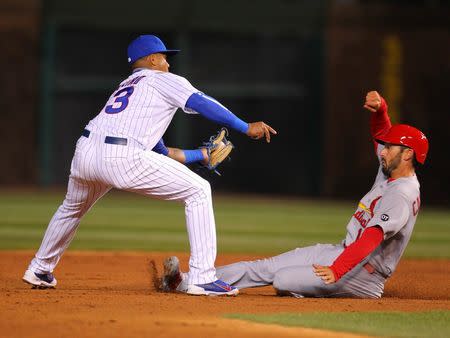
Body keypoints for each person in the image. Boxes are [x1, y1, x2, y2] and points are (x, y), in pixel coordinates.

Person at [22, 34, 277, 296]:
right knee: (199, 191)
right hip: (121, 156)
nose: (168, 63)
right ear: (153, 59)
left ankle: (40, 268)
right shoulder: (162, 79)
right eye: (165, 57)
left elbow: (163, 152)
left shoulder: (128, 87)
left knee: (71, 209)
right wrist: (246, 127)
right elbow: (202, 103)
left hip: (86, 152)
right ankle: (202, 277)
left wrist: (201, 155)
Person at [162, 90, 429, 298]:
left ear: (408, 154)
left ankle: (317, 289)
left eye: (391, 148)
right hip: (343, 252)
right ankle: (188, 281)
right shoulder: (390, 169)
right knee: (265, 267)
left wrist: (337, 270)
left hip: (364, 275)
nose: (382, 151)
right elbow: (381, 134)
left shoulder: (402, 193)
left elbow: (371, 238)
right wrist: (380, 110)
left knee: (283, 280)